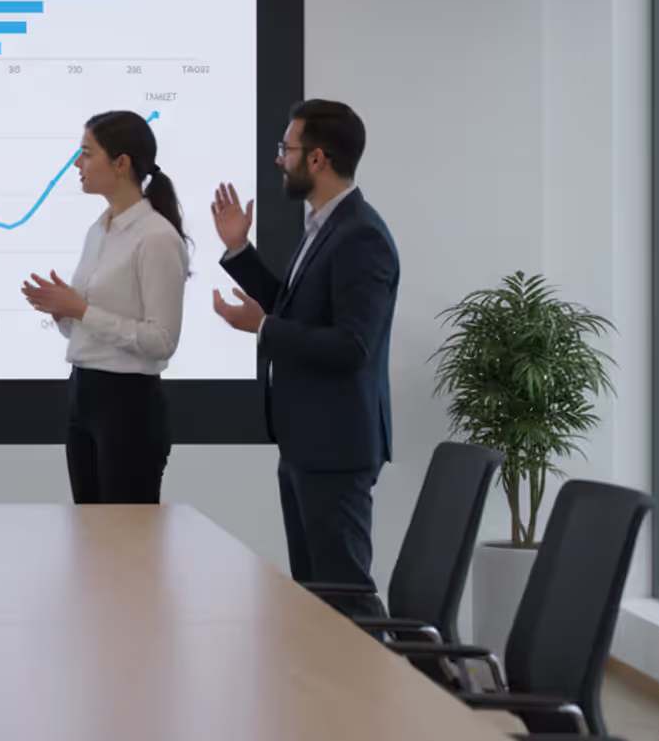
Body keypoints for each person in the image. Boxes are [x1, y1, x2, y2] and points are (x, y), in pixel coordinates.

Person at [210, 100, 398, 602]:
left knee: (344, 597)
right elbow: (298, 311)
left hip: (335, 448)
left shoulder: (360, 236)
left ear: (317, 158)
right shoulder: (326, 226)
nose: (279, 159)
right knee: (315, 600)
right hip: (306, 443)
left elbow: (353, 346)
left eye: (286, 149)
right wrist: (239, 252)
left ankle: (369, 661)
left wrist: (263, 328)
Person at [21, 111, 189, 504]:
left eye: (87, 153)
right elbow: (85, 326)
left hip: (129, 404)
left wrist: (81, 310)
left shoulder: (156, 237)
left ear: (121, 163)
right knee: (87, 528)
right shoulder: (98, 230)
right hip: (83, 394)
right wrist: (63, 312)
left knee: (126, 533)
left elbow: (162, 340)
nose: (77, 164)